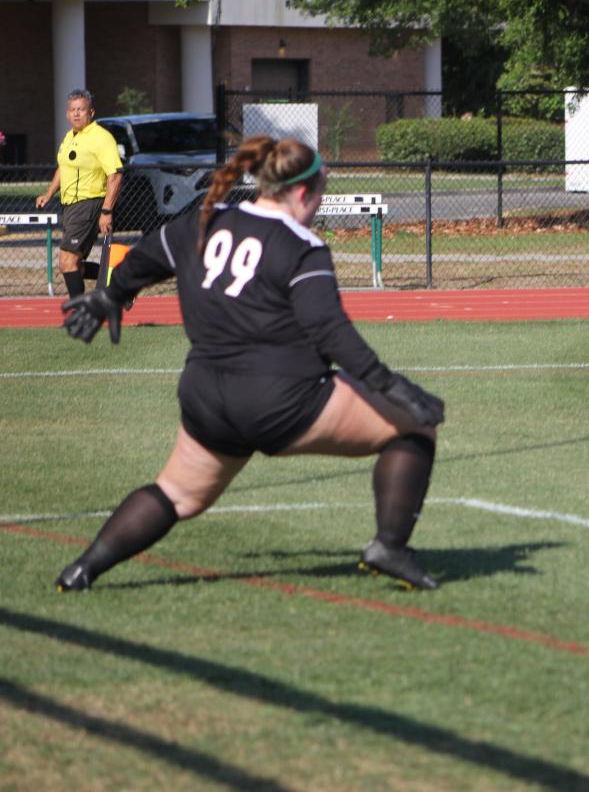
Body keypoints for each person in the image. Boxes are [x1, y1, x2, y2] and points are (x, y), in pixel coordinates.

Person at [55, 135, 446, 592]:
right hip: (283, 400)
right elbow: (329, 330)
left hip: (206, 400)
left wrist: (111, 294)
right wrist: (389, 385)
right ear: (303, 192)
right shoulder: (302, 245)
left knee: (176, 494)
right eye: (319, 194)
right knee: (415, 426)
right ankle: (389, 548)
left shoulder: (205, 220)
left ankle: (82, 570)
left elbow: (148, 253)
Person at [35, 89, 123, 298]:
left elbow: (116, 175)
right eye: (72, 110)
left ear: (91, 112)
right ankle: (121, 279)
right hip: (70, 206)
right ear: (67, 114)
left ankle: (81, 312)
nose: (76, 114)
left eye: (81, 110)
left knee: (67, 261)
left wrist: (107, 210)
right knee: (73, 265)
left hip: (89, 203)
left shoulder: (101, 138)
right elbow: (63, 167)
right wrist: (49, 193)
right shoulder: (69, 137)